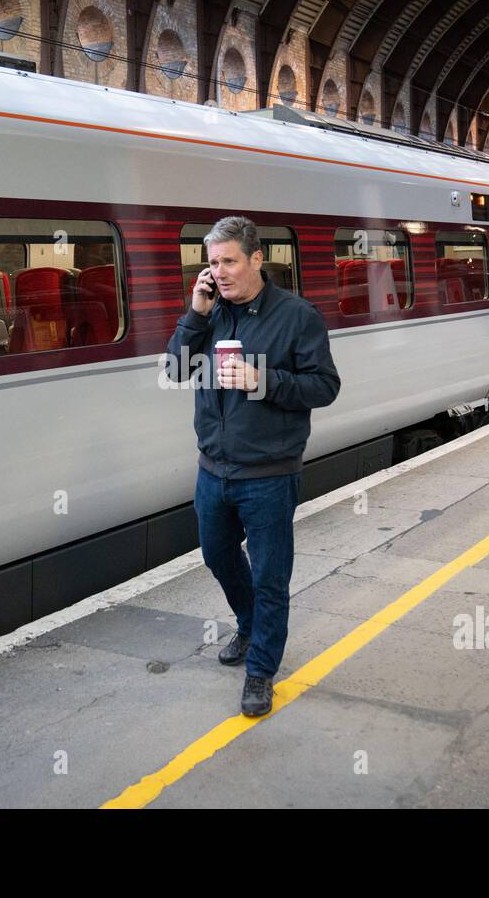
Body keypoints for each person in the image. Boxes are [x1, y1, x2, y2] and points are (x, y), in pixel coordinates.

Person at [164, 216, 341, 716]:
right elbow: (175, 370)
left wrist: (262, 379)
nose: (218, 272)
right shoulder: (211, 314)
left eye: (229, 261)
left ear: (256, 259)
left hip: (268, 473)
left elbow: (324, 387)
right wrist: (195, 313)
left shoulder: (297, 316)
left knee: (269, 575)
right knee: (218, 557)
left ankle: (261, 670)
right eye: (212, 263)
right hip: (212, 469)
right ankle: (249, 626)